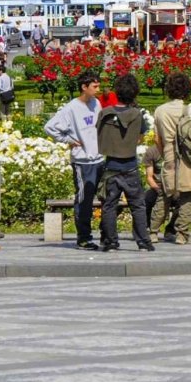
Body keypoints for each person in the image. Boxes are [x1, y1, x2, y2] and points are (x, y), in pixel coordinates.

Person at [43, 69, 104, 251]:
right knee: (84, 199)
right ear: (84, 87)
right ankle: (83, 238)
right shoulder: (71, 108)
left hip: (99, 159)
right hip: (82, 161)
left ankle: (106, 234)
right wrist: (68, 140)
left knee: (105, 197)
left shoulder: (97, 103)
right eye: (94, 86)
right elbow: (50, 127)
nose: (98, 89)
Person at [96, 73, 152, 252]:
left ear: (117, 92)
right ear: (134, 93)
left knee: (109, 206)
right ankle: (143, 241)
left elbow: (98, 133)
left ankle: (110, 241)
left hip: (110, 165)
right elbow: (141, 136)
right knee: (138, 205)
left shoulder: (105, 113)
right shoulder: (136, 114)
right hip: (130, 165)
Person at [151, 71, 191, 245]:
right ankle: (182, 235)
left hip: (168, 155)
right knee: (187, 197)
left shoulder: (160, 110)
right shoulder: (188, 109)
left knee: (164, 197)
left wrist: (164, 151)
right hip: (188, 158)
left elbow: (156, 138)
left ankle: (153, 232)